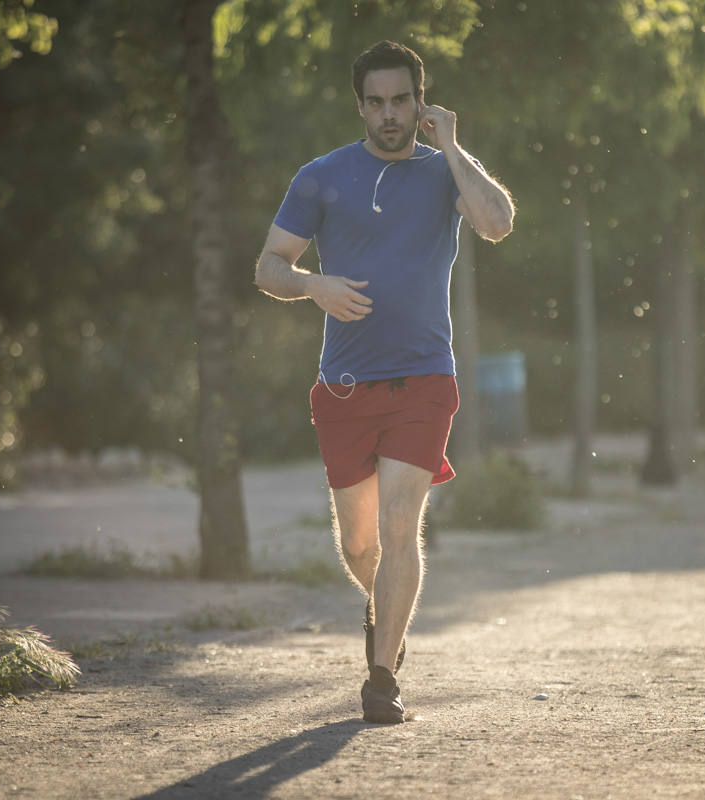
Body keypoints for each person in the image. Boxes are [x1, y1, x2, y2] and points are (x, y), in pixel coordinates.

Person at [253, 41, 514, 724]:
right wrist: (313, 285)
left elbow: (497, 223)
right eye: (378, 102)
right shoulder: (321, 176)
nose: (390, 114)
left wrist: (454, 148)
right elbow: (269, 267)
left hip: (425, 377)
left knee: (402, 524)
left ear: (420, 101)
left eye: (402, 100)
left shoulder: (444, 172)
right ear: (360, 105)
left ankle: (381, 678)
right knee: (360, 545)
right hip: (343, 385)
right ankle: (387, 619)